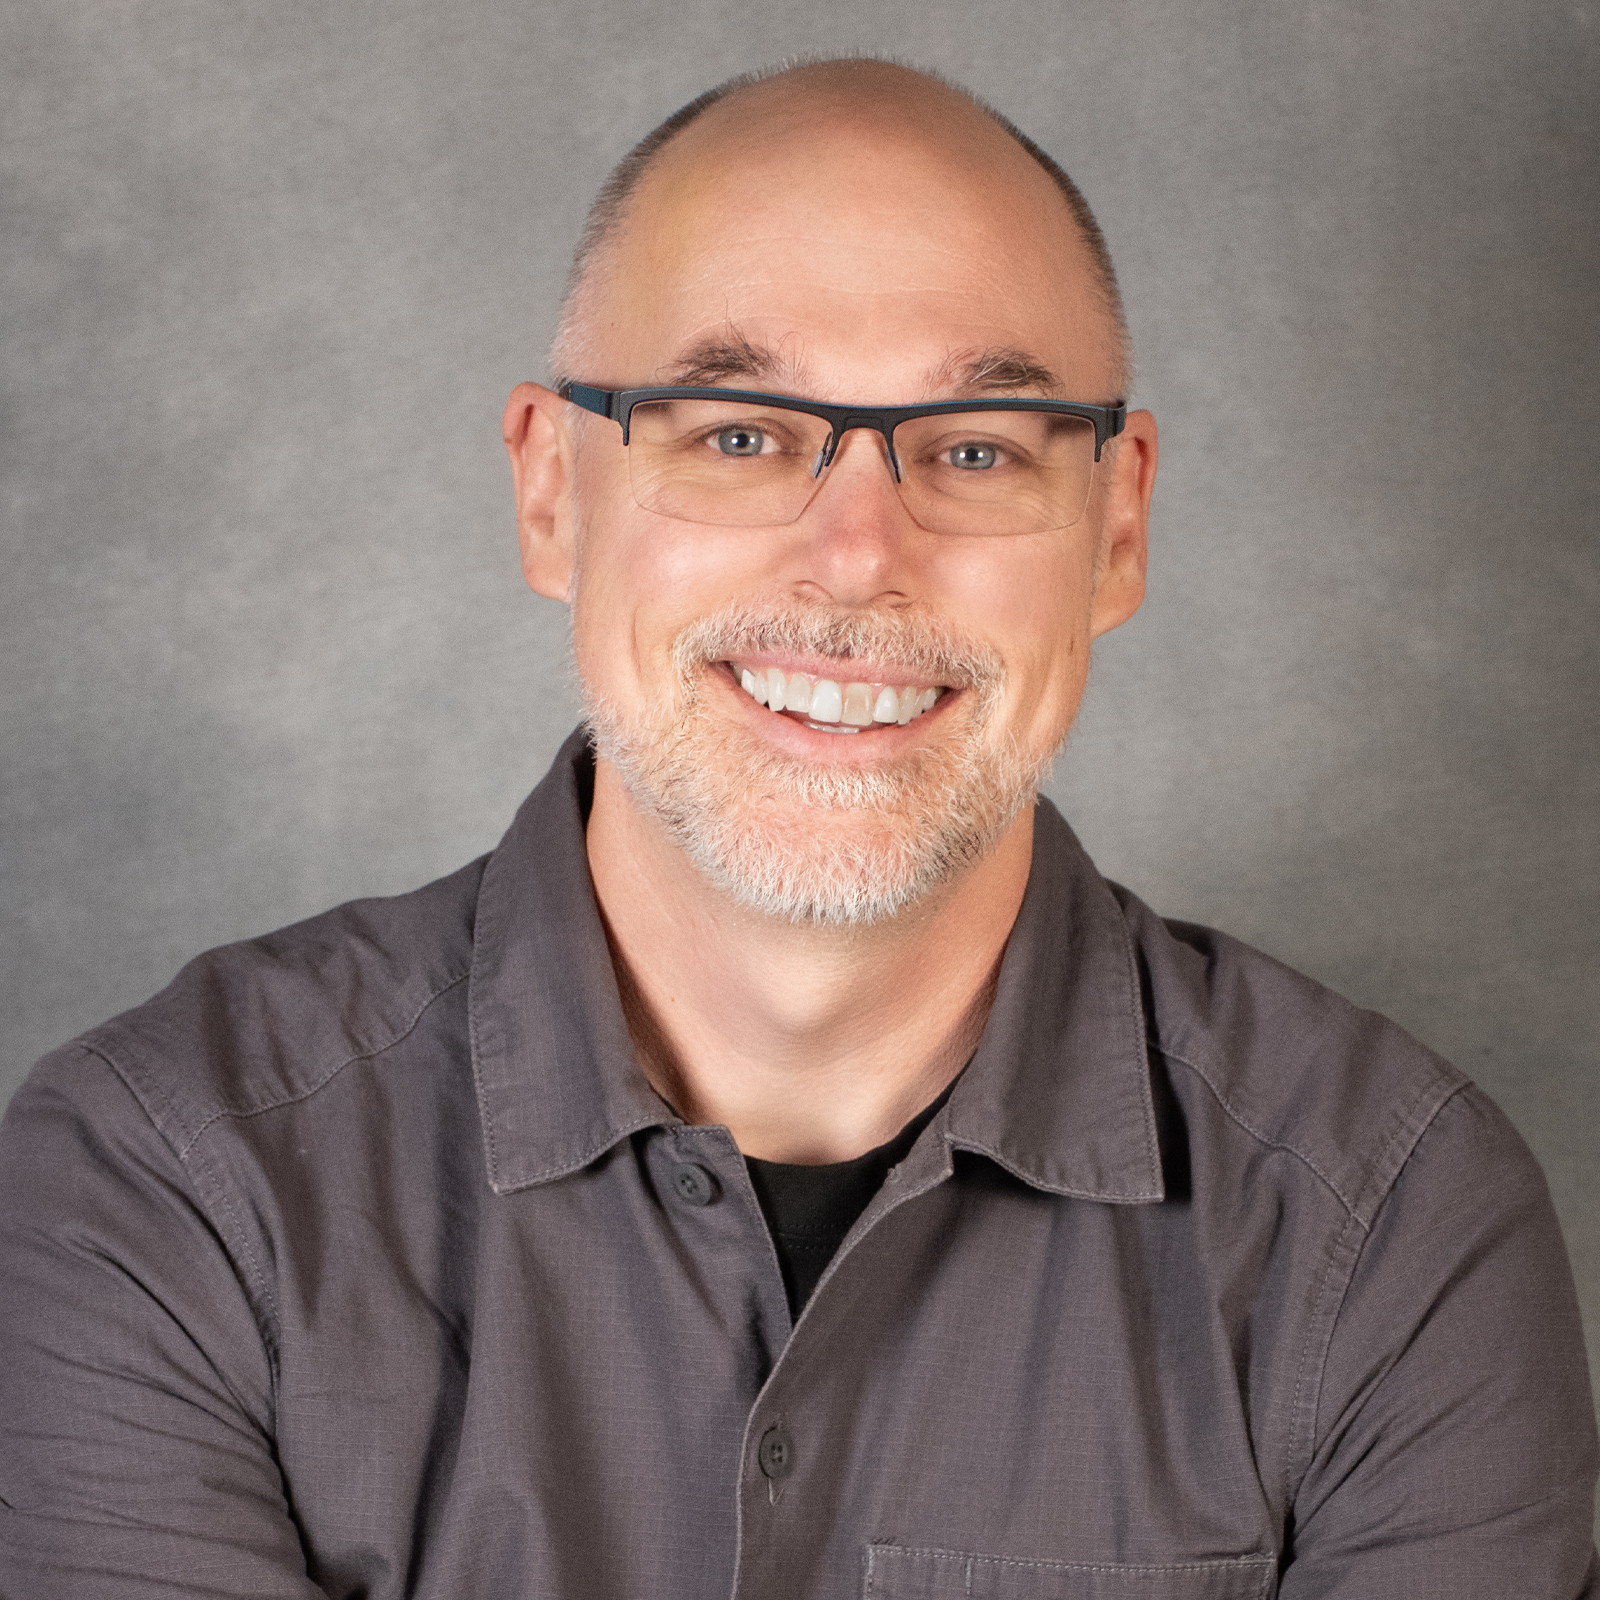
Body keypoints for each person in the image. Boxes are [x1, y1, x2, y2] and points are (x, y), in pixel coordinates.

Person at [0, 56, 1594, 1600]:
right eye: (738, 432)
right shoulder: (165, 1190)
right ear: (553, 491)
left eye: (973, 451)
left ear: (1119, 528)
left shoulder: (1391, 1230)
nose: (854, 562)